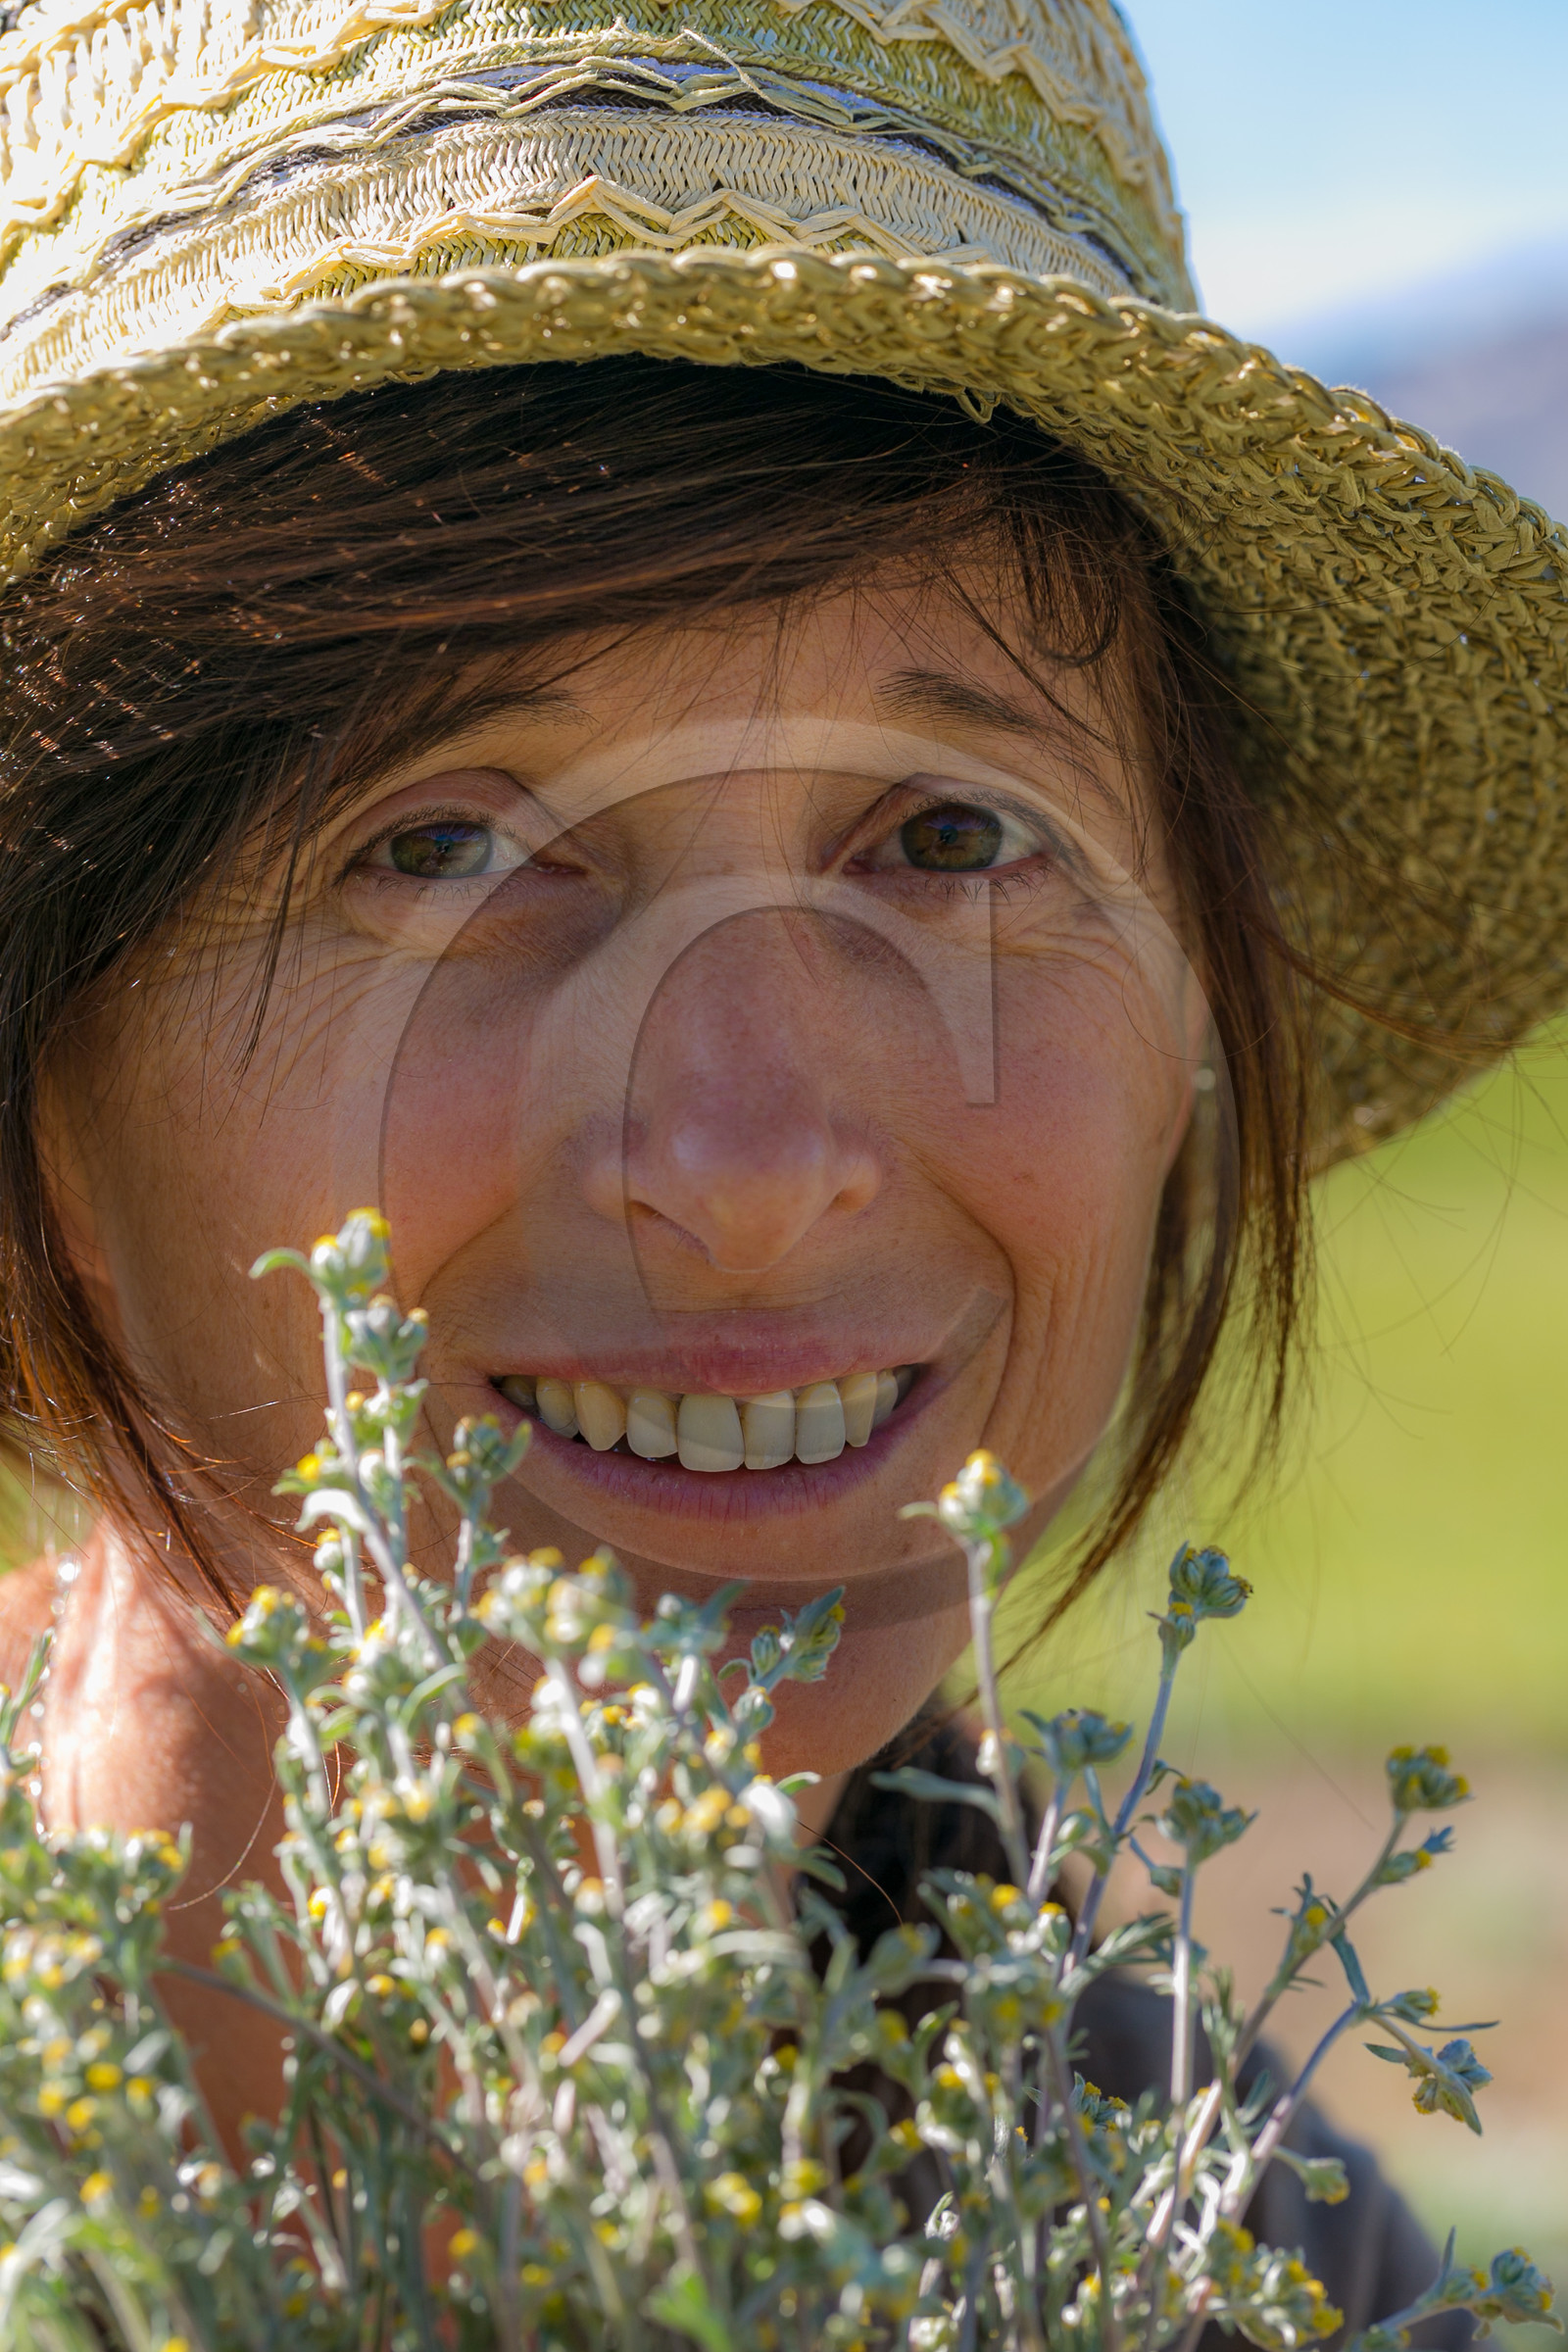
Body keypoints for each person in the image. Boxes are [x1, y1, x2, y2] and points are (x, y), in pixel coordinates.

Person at [0, 0, 1560, 2333]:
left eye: (946, 840)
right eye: (443, 847)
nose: (747, 1167)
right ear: (47, 1079)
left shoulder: (1209, 2235)